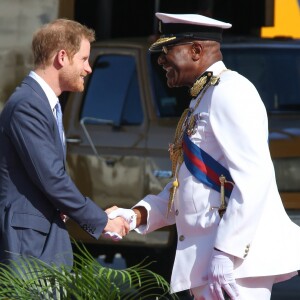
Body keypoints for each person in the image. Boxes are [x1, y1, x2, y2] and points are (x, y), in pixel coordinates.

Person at [106, 12, 300, 300]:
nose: (161, 60)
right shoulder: (203, 98)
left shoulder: (231, 92)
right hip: (213, 259)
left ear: (196, 51)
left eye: (167, 50)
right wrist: (136, 215)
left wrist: (226, 252)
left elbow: (255, 178)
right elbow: (190, 186)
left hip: (235, 264)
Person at [0, 19, 129, 268]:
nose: (89, 68)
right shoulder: (27, 104)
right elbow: (51, 178)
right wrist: (100, 221)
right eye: (83, 59)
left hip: (40, 242)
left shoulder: (43, 104)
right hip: (28, 247)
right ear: (62, 57)